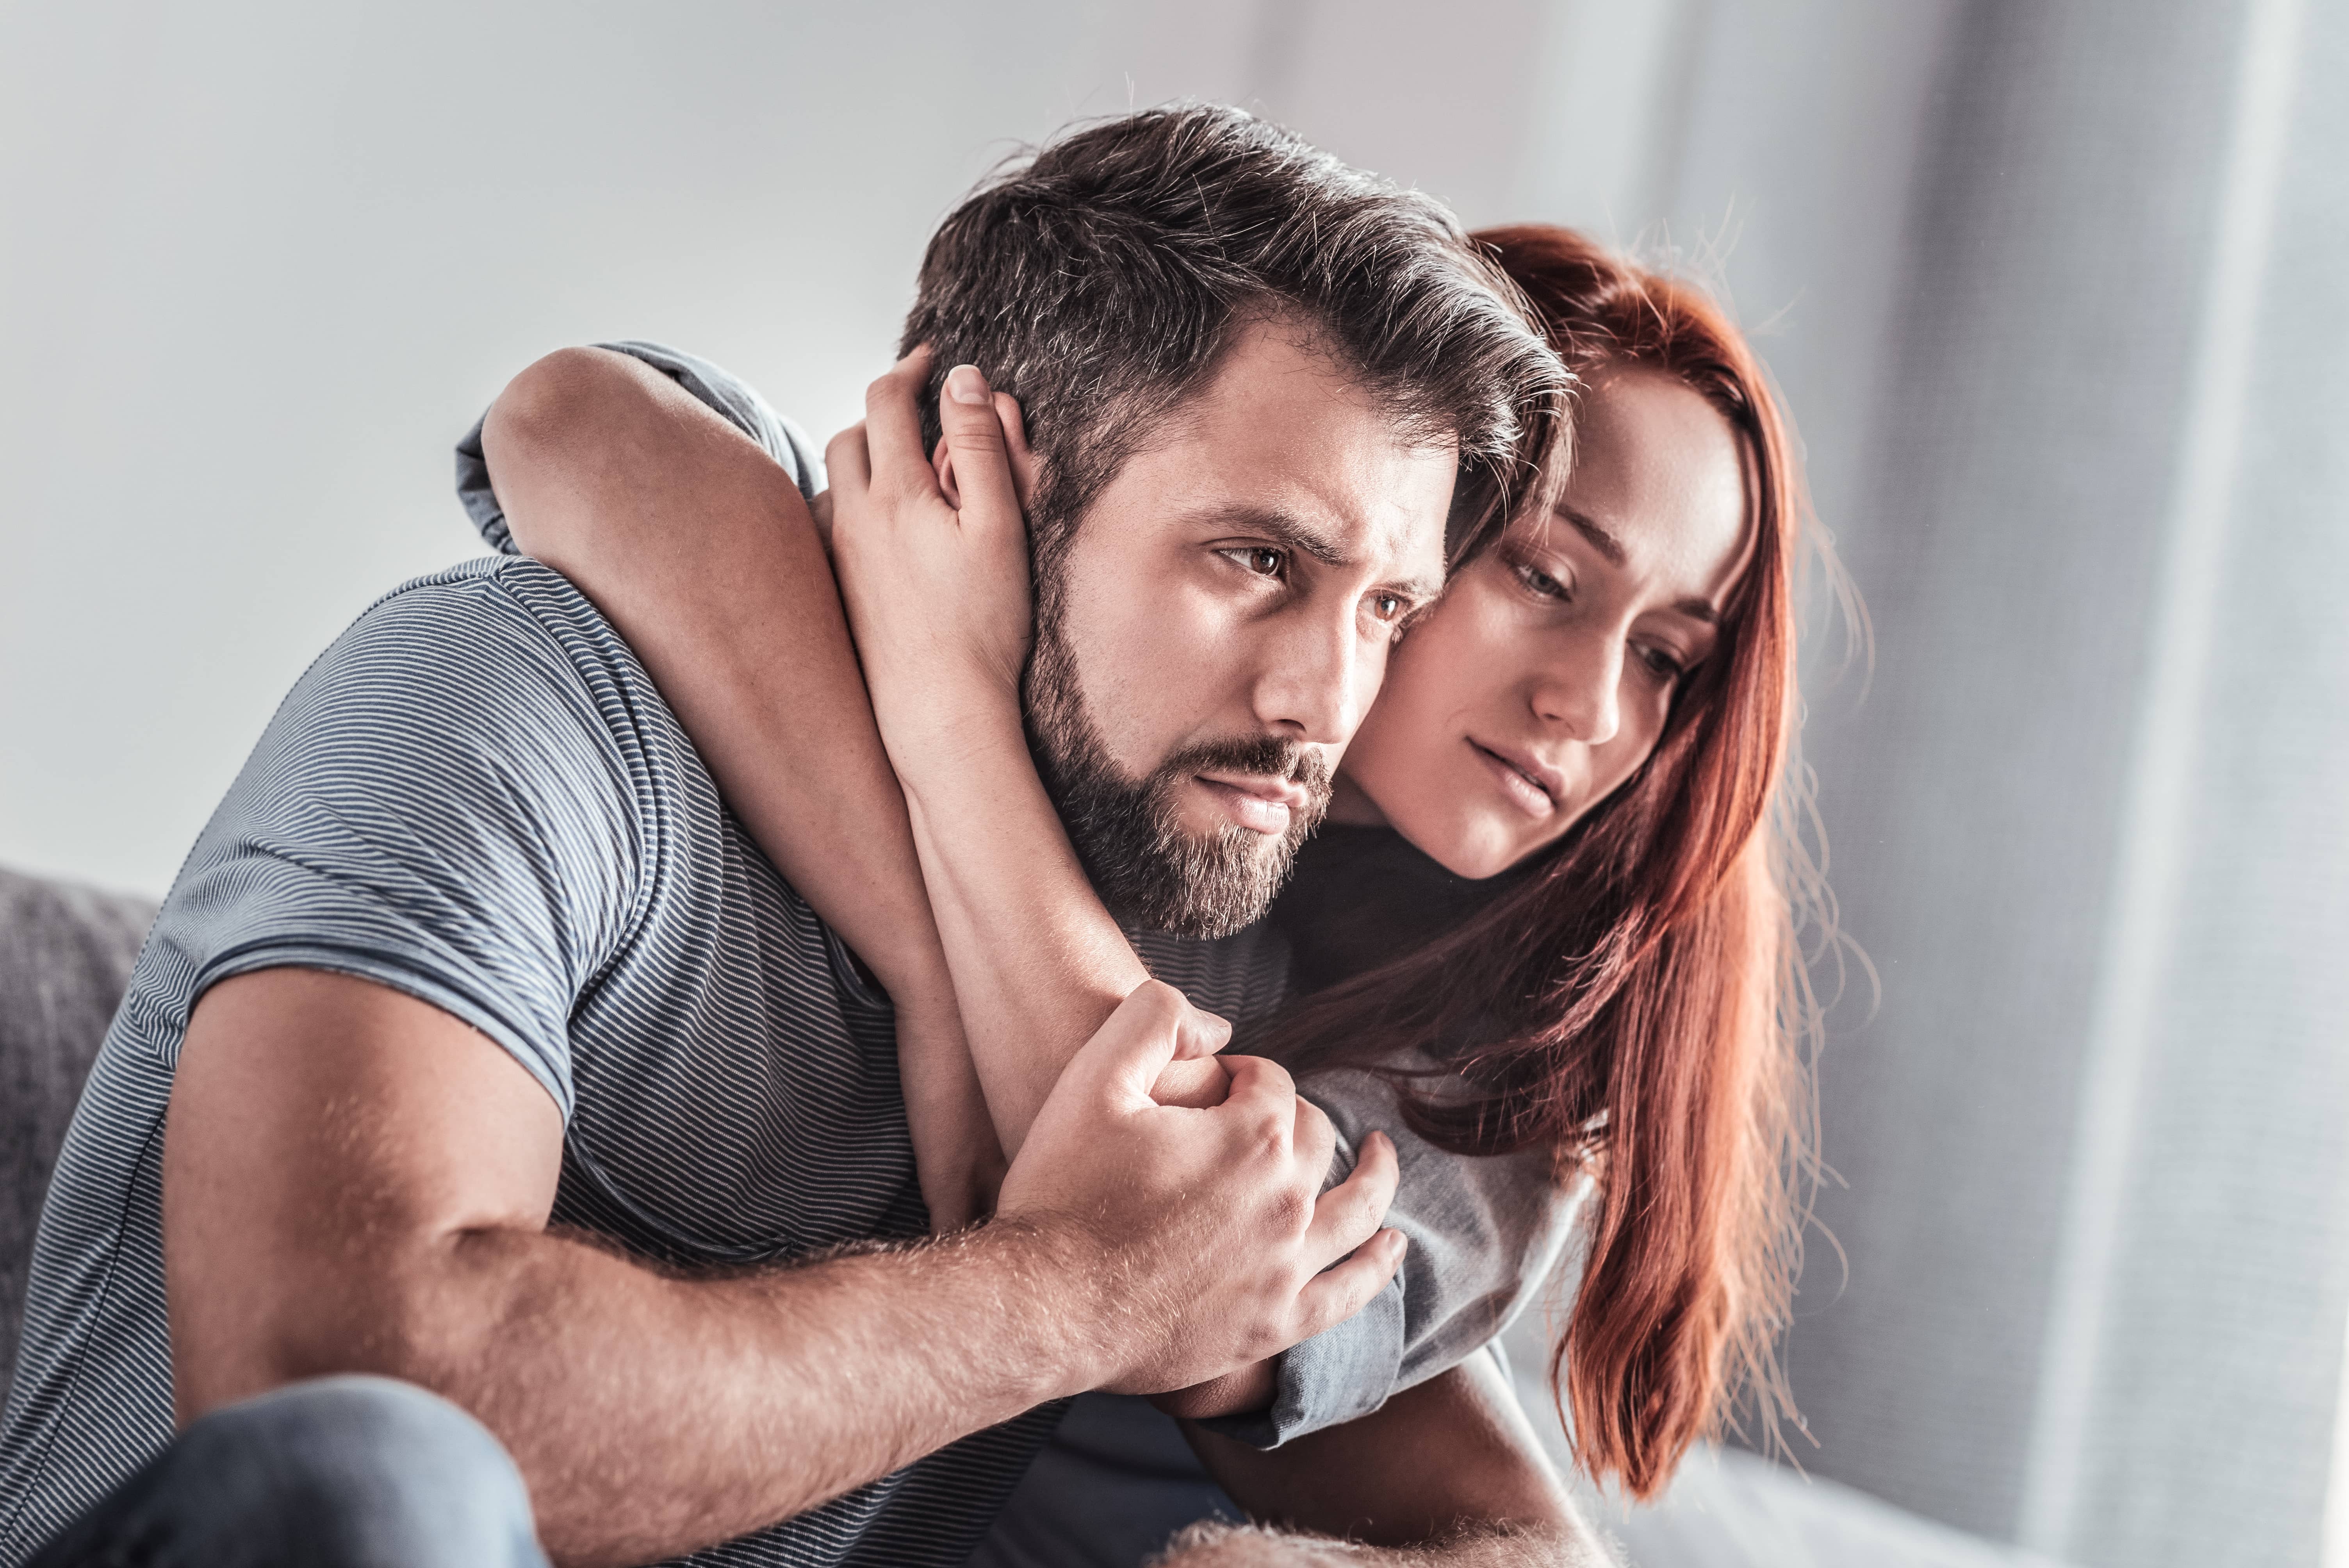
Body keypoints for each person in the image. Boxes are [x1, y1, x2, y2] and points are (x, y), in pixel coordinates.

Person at [0, 107, 1576, 1568]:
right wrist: (1080, 1285)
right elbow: (332, 1383)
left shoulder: (1196, 946)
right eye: (1252, 559)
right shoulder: (520, 698)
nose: (1323, 697)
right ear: (975, 477)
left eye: (1386, 609)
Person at [481, 220, 1832, 1564]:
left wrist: (947, 729)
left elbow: (1157, 1231)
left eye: (1666, 655)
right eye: (1545, 576)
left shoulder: (1494, 1077)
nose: (1589, 706)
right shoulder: (1078, 640)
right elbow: (568, 418)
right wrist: (935, 955)